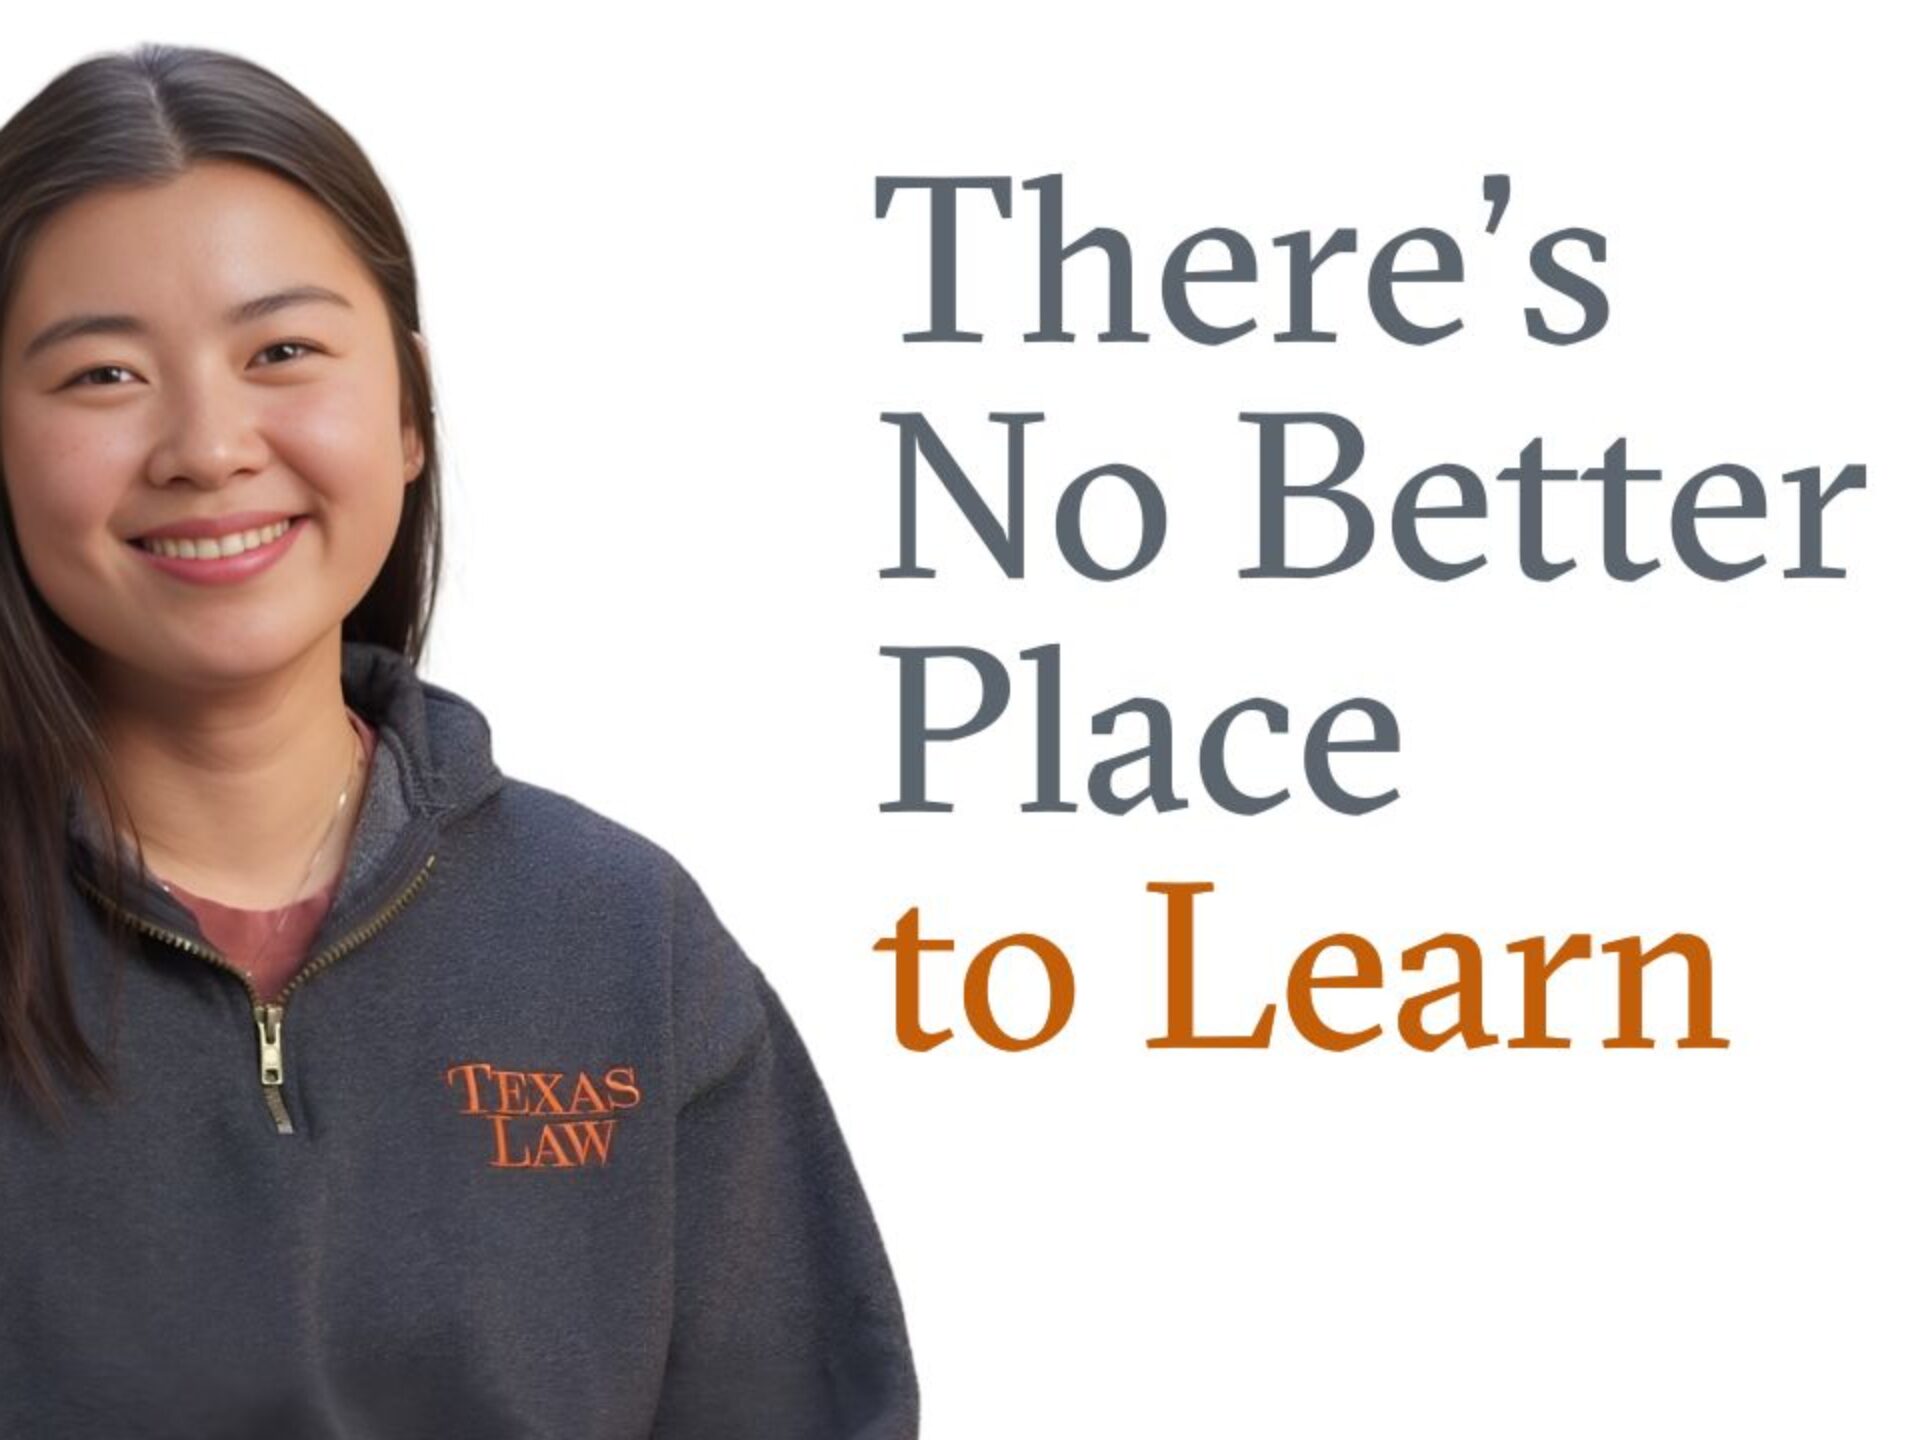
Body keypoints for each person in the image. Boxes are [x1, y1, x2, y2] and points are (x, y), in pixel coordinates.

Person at [0, 42, 917, 1438]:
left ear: (411, 406)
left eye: (282, 353)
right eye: (106, 374)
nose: (207, 444)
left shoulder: (622, 942)